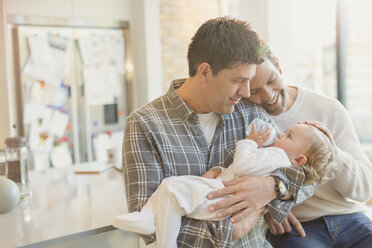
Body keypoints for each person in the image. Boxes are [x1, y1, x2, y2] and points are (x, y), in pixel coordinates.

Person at [122, 17, 306, 247]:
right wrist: (229, 231)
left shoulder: (250, 114)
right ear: (206, 71)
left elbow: (305, 172)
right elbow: (148, 224)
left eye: (249, 81)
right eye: (239, 80)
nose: (246, 91)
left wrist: (273, 188)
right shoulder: (145, 124)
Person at [115, 120, 335, 248]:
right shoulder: (279, 155)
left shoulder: (277, 155)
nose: (279, 133)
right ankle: (150, 219)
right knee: (171, 189)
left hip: (222, 195)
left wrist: (251, 142)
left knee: (172, 189)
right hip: (221, 189)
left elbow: (242, 165)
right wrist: (219, 172)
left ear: (298, 160)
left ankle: (158, 229)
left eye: (288, 135)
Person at [247, 41, 372, 247]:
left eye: (271, 80)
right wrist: (268, 210)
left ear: (278, 65)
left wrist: (331, 151)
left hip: (350, 219)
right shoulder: (250, 123)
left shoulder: (328, 109)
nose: (268, 96)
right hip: (300, 228)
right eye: (254, 91)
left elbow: (365, 189)